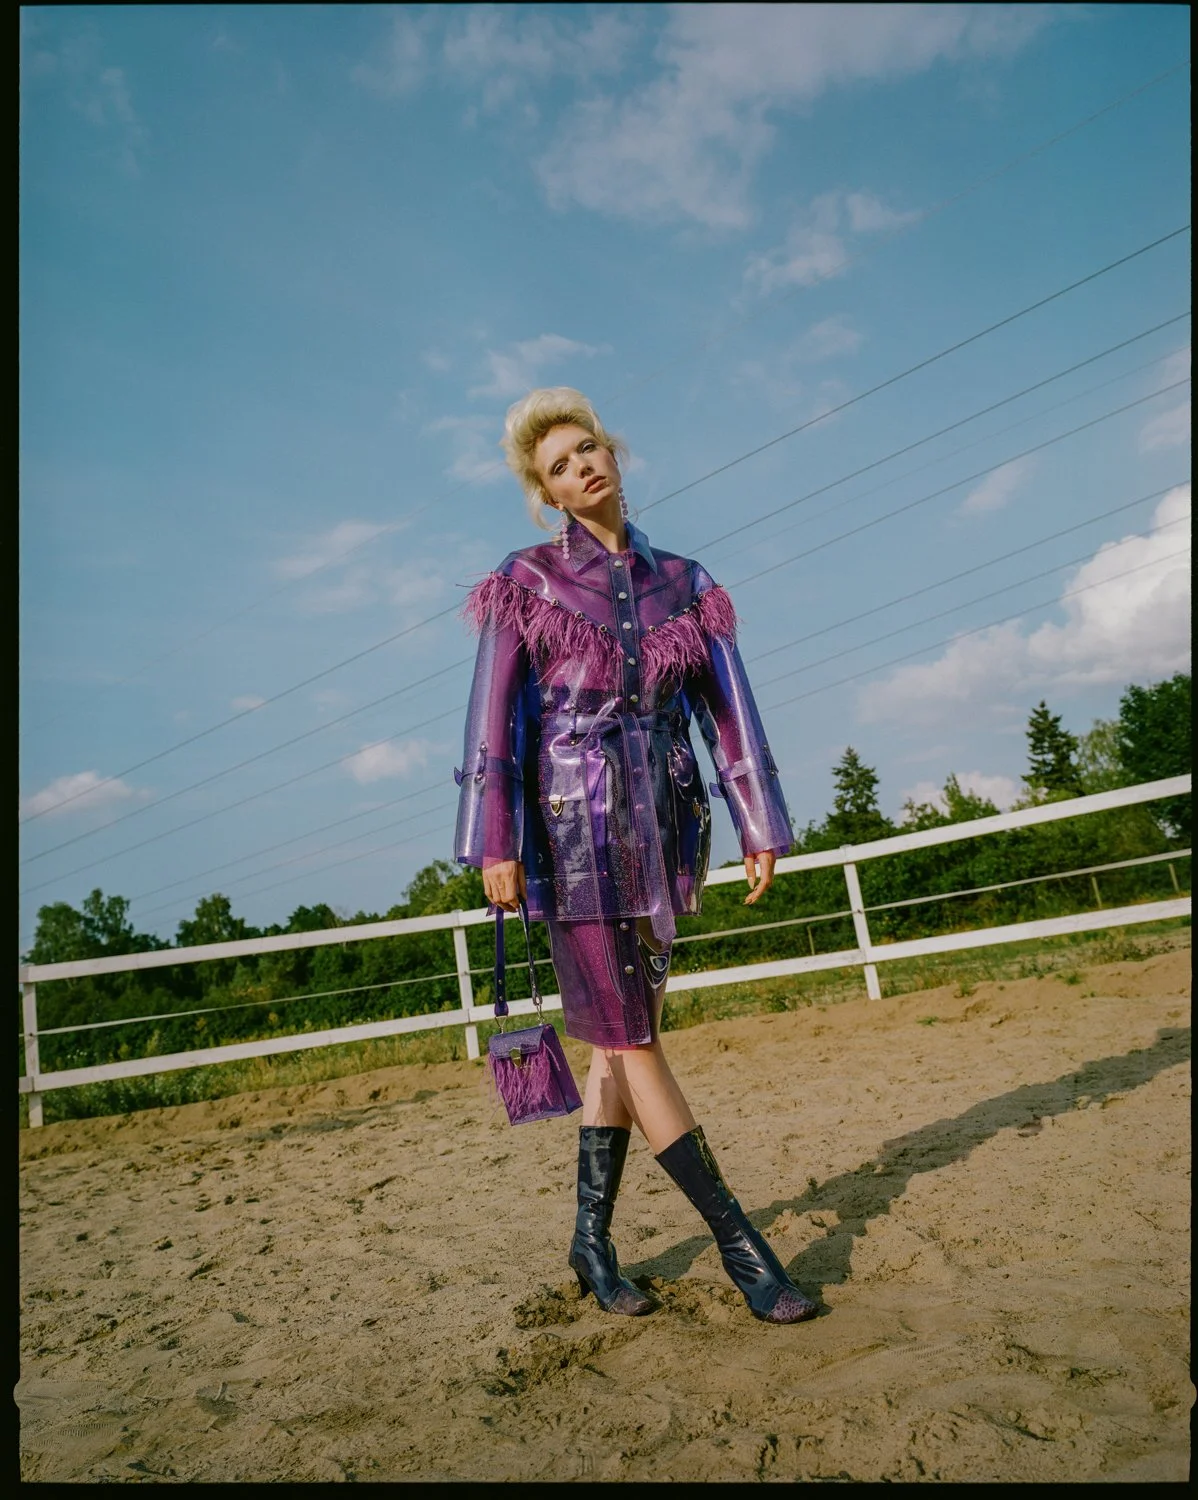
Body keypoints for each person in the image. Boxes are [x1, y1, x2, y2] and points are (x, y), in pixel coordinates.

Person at [454, 387, 817, 1326]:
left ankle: (589, 1241)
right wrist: (493, 839)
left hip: (666, 825)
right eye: (561, 466)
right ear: (549, 495)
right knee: (635, 1039)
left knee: (620, 1039)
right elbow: (491, 717)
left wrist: (759, 821)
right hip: (570, 833)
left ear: (613, 453)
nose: (584, 467)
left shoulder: (686, 582)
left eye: (590, 449)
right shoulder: (526, 580)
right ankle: (749, 1256)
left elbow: (732, 709)